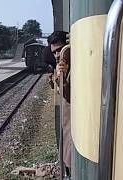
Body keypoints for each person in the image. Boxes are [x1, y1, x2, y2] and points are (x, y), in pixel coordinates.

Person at [47, 31, 72, 175]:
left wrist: (61, 78)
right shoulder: (62, 66)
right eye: (54, 52)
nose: (57, 55)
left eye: (59, 50)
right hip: (66, 124)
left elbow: (69, 96)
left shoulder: (73, 67)